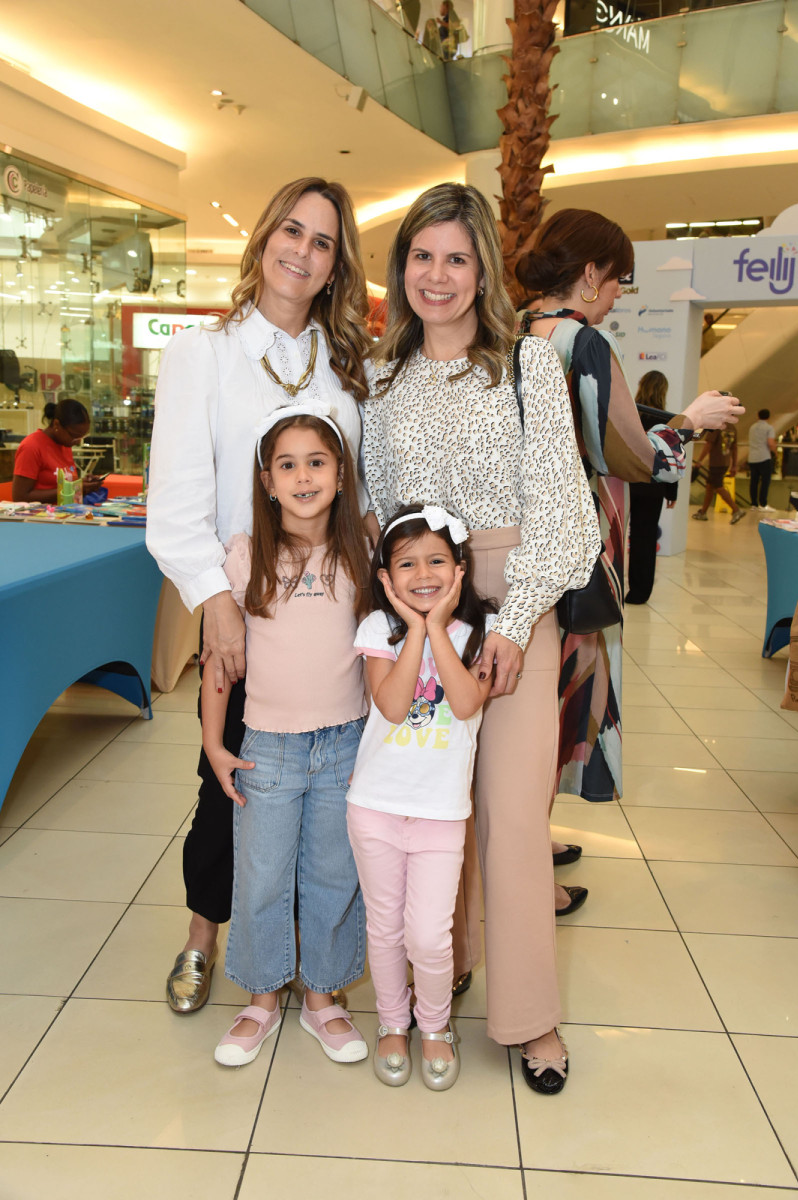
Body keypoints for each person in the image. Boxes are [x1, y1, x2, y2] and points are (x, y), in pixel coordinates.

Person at [362, 182, 601, 1094]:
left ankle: (530, 1017)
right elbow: (379, 509)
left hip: (511, 608)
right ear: (403, 268)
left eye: (456, 257)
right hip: (419, 615)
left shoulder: (528, 367)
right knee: (428, 805)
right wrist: (399, 619)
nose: (437, 275)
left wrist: (511, 618)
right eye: (422, 256)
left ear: (484, 270)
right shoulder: (383, 379)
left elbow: (567, 516)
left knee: (510, 817)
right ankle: (443, 964)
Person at [146, 177, 372, 1016]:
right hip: (238, 604)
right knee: (230, 778)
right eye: (291, 231)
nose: (302, 252)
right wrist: (218, 600)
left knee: (322, 783)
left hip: (333, 613)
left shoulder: (348, 370)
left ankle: (309, 954)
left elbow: (362, 494)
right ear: (263, 240)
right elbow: (173, 505)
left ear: (335, 266)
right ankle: (204, 934)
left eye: (322, 242)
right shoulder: (202, 355)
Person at [517, 209, 744, 874]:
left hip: (524, 547)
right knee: (563, 700)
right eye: (619, 280)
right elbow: (632, 455)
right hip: (577, 553)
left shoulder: (518, 333)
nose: (618, 294)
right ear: (590, 275)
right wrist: (691, 422)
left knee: (533, 704)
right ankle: (534, 865)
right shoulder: (583, 343)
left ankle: (533, 839)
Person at [203, 404, 371, 1067]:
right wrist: (216, 745)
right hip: (266, 747)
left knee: (334, 873)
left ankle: (324, 995)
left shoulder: (363, 545)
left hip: (347, 744)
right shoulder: (246, 555)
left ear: (339, 471)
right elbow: (219, 661)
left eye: (318, 462)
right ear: (267, 481)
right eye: (288, 465)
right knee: (262, 876)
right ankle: (263, 996)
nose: (304, 477)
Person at [347, 504, 496, 1091]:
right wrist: (414, 628)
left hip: (440, 814)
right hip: (376, 807)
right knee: (384, 928)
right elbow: (389, 703)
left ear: (460, 568)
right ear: (386, 577)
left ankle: (434, 1027)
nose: (423, 574)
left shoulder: (479, 633)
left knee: (430, 934)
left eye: (437, 560)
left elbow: (463, 704)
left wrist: (437, 627)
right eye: (405, 564)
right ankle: (392, 1023)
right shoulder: (374, 631)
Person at [626, 371, 679, 605]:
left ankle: (615, 586)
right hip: (654, 486)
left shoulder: (631, 414)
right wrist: (671, 492)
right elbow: (672, 459)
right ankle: (640, 591)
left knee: (617, 536)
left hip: (627, 481)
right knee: (644, 538)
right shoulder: (668, 421)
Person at [12, 398, 104, 502]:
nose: (78, 442)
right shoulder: (31, 446)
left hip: (67, 512)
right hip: (42, 515)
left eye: (82, 437)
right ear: (56, 425)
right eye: (74, 436)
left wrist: (84, 484)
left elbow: (63, 485)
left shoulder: (64, 445)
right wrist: (75, 488)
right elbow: (20, 497)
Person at [692, 427, 745, 523]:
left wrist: (700, 460)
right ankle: (703, 512)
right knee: (710, 486)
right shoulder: (732, 428)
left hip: (716, 463)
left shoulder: (716, 427)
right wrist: (734, 465)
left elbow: (709, 444)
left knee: (717, 486)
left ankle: (736, 510)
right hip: (725, 462)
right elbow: (734, 448)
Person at [748, 408, 777, 512]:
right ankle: (763, 504)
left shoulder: (752, 427)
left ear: (758, 415)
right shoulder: (769, 428)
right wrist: (775, 452)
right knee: (765, 481)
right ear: (768, 417)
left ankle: (753, 504)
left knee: (753, 481)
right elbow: (770, 442)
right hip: (764, 457)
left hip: (752, 457)